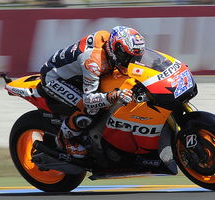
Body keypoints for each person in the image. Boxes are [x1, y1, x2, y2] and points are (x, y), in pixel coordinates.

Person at [40, 26, 146, 158]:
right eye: (127, 58)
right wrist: (115, 95)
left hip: (78, 73)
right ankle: (64, 139)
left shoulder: (109, 44)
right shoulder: (93, 62)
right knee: (90, 109)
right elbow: (89, 100)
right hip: (54, 78)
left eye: (136, 58)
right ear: (115, 50)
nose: (132, 62)